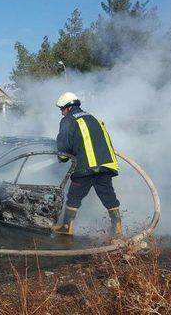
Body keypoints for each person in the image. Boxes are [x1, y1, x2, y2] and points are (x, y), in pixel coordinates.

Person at [52, 92, 123, 238]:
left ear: (68, 107)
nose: (61, 112)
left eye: (62, 109)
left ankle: (67, 227)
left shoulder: (68, 120)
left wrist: (62, 158)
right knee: (108, 196)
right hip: (105, 166)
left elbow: (64, 145)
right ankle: (117, 229)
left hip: (85, 168)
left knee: (74, 197)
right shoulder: (93, 118)